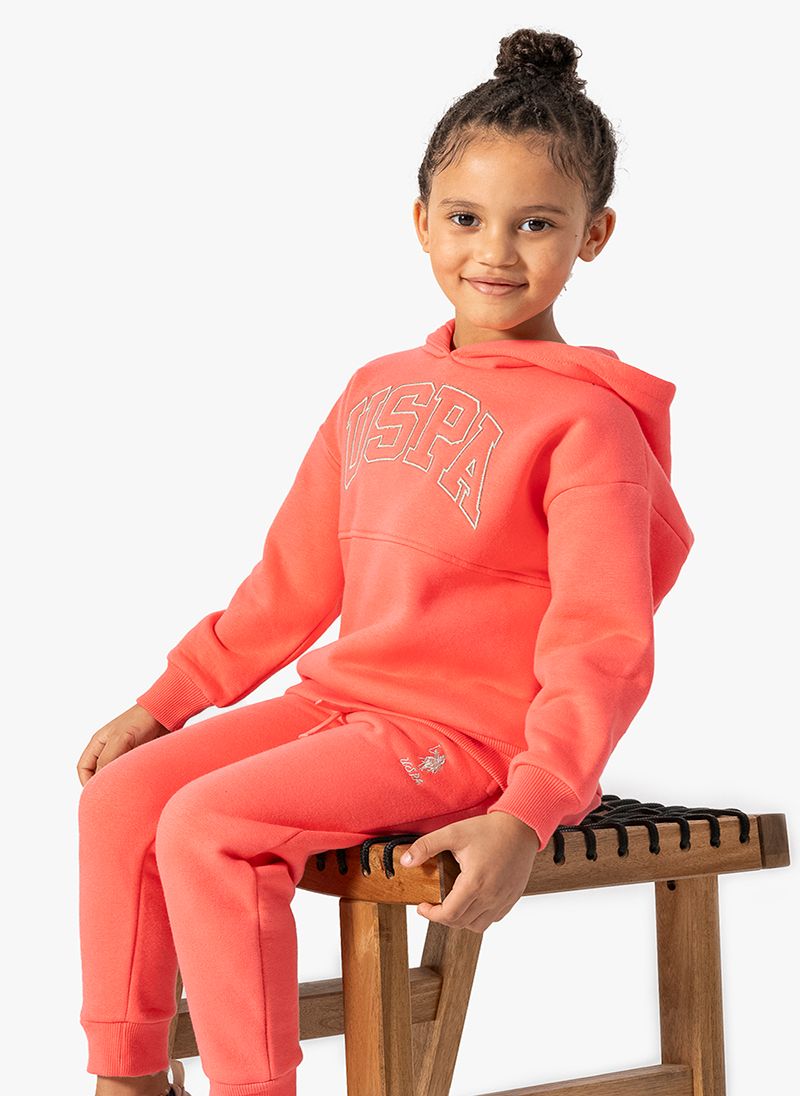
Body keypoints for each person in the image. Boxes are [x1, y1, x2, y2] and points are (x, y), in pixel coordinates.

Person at [77, 26, 695, 1096]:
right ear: (420, 222)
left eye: (535, 223)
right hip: (346, 707)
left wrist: (531, 807)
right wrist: (168, 700)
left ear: (592, 235)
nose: (493, 251)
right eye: (464, 218)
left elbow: (603, 643)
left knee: (212, 825)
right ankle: (127, 1079)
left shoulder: (588, 424)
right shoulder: (377, 388)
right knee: (123, 800)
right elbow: (292, 582)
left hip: (469, 737)